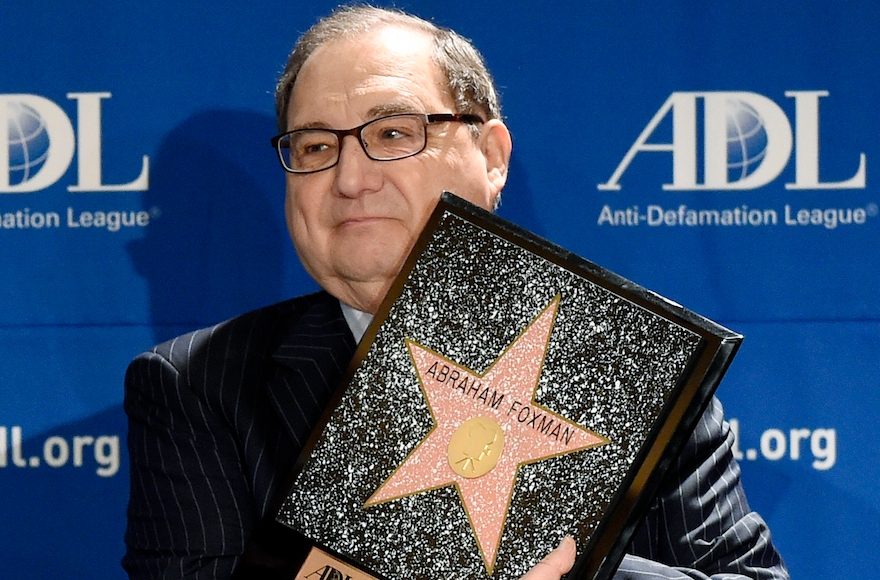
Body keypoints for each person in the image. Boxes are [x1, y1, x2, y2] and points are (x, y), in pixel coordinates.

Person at [123, 6, 789, 580]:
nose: (350, 177)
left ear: (492, 157)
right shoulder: (199, 385)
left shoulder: (631, 370)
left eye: (392, 134)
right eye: (316, 146)